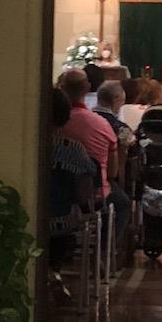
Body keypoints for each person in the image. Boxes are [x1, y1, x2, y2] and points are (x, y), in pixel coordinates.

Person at [57, 68, 130, 238]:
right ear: (87, 87)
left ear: (62, 88)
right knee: (123, 204)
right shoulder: (102, 125)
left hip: (54, 194)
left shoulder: (53, 124)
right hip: (91, 197)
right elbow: (112, 172)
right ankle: (105, 249)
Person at [46, 87, 99, 301]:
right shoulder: (74, 150)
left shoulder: (23, 146)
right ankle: (53, 271)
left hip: (26, 216)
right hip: (60, 220)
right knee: (70, 220)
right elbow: (83, 194)